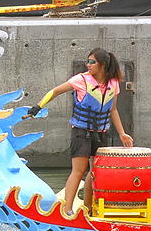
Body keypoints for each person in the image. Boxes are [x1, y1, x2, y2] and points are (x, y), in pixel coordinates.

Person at [24, 48, 133, 214]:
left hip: (101, 133)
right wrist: (37, 107)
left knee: (95, 172)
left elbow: (113, 110)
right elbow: (55, 91)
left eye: (92, 62)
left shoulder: (113, 83)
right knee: (79, 170)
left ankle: (88, 210)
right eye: (87, 61)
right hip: (81, 132)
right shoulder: (81, 80)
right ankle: (67, 211)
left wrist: (122, 133)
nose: (87, 65)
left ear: (102, 65)